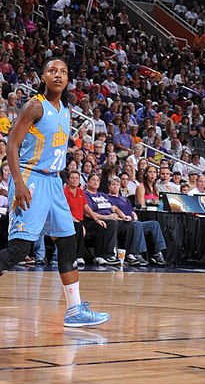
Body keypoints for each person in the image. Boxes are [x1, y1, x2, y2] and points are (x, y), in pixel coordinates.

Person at [0, 58, 109, 326]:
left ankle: (74, 310)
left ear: (68, 78)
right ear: (43, 76)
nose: (57, 75)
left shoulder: (66, 110)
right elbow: (12, 145)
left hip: (53, 182)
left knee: (68, 241)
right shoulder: (34, 106)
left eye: (62, 72)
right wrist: (19, 183)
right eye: (52, 71)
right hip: (31, 178)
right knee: (19, 248)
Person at [107, 175, 166, 266]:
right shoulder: (107, 198)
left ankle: (157, 253)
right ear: (109, 186)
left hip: (132, 221)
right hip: (122, 223)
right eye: (113, 184)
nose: (115, 186)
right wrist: (124, 217)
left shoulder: (124, 199)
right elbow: (113, 210)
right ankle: (138, 254)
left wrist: (134, 215)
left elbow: (132, 211)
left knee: (154, 224)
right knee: (137, 224)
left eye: (117, 185)